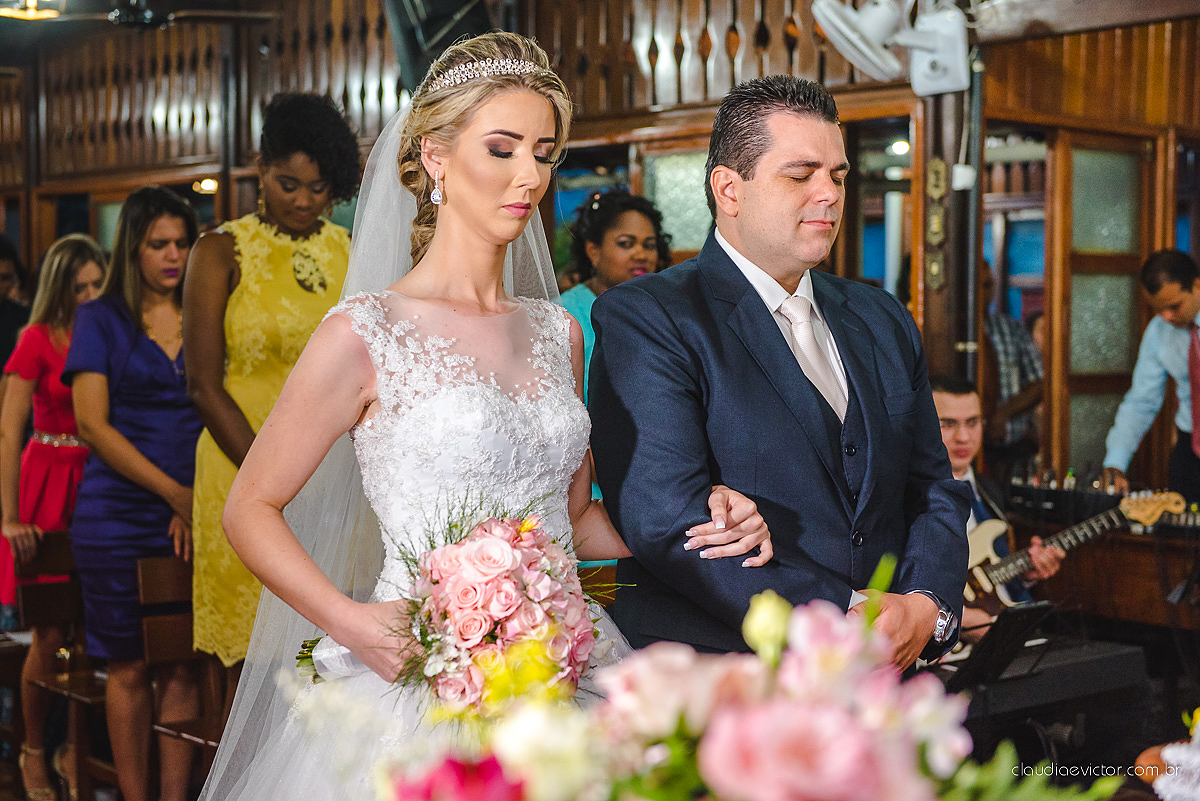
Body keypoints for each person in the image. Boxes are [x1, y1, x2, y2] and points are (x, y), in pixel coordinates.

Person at [200, 32, 771, 800]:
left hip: (561, 667)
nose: (530, 176)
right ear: (435, 156)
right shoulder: (365, 333)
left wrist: (698, 515)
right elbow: (250, 507)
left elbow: (576, 521)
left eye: (543, 152)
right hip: (420, 684)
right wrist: (355, 623)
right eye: (502, 149)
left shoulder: (555, 331)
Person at [589, 75, 971, 669]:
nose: (829, 194)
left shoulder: (882, 317)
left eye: (838, 176)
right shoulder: (649, 316)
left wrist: (926, 607)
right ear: (729, 188)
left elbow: (933, 487)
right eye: (800, 175)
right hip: (721, 675)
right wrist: (844, 621)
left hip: (887, 679)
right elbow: (666, 518)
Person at [184, 92, 358, 688]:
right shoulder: (219, 251)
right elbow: (203, 385)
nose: (305, 201)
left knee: (331, 659)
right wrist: (276, 478)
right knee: (249, 666)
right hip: (241, 466)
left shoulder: (352, 252)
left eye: (319, 188)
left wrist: (319, 487)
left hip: (336, 479)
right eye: (288, 183)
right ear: (260, 167)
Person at [63, 186, 203, 801]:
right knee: (127, 664)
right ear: (134, 248)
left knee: (180, 659)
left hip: (192, 506)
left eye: (182, 243)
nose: (173, 256)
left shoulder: (206, 311)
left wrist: (195, 499)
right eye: (158, 244)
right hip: (117, 512)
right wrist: (174, 493)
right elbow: (92, 424)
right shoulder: (101, 316)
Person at [0, 234, 104, 801]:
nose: (88, 295)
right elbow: (7, 430)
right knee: (49, 631)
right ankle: (33, 747)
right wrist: (10, 517)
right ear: (57, 288)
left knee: (93, 628)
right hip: (46, 481)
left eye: (96, 284)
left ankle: (77, 748)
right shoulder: (35, 339)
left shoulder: (106, 329)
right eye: (78, 286)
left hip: (92, 480)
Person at [929, 374, 1063, 644]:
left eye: (972, 422)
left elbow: (988, 579)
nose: (963, 437)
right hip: (944, 647)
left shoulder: (990, 492)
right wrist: (959, 619)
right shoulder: (909, 497)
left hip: (1004, 634)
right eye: (948, 424)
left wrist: (1026, 574)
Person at [1101, 250, 1200, 502]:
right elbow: (1141, 401)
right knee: (1179, 535)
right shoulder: (1159, 331)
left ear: (1197, 285)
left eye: (1174, 306)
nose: (1166, 316)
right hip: (1191, 450)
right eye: (1158, 309)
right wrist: (1116, 461)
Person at [559, 189, 671, 400]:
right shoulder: (563, 314)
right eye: (625, 244)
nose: (641, 255)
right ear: (594, 251)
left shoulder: (661, 309)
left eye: (649, 245)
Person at [980, 264, 1043, 481]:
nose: (984, 293)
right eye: (978, 285)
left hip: (1009, 448)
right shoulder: (943, 333)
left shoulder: (1009, 328)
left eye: (988, 285)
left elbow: (1039, 384)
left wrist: (1003, 414)